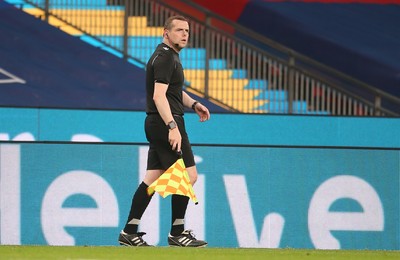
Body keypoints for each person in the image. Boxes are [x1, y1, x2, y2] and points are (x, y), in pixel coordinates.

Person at [118, 15, 210, 247]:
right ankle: (177, 232)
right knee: (187, 176)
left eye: (186, 30)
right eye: (179, 30)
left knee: (152, 179)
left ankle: (129, 231)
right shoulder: (165, 58)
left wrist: (194, 104)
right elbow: (159, 97)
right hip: (164, 123)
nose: (184, 34)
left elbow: (173, 92)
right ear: (165, 33)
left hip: (158, 122)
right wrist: (172, 127)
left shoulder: (169, 57)